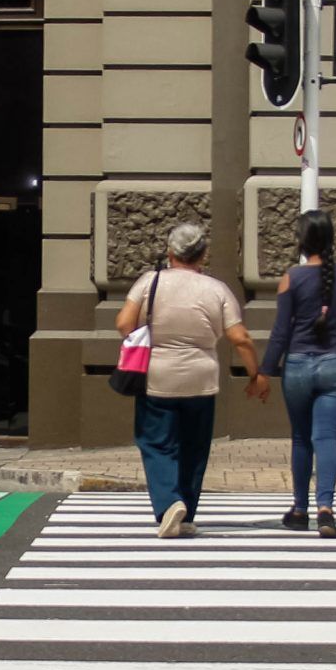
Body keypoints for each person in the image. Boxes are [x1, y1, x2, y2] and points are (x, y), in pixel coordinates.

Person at [114, 220, 266, 537]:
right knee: (194, 447)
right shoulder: (216, 290)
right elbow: (241, 338)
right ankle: (185, 513)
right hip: (202, 378)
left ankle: (170, 502)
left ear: (170, 252)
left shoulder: (149, 282)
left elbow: (124, 323)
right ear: (203, 255)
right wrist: (256, 375)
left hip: (158, 375)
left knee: (157, 443)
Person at [255, 209, 336, 537]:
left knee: (301, 439)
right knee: (326, 438)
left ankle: (300, 508)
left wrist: (264, 372)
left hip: (297, 367)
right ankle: (326, 509)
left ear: (302, 241)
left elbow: (280, 332)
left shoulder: (291, 277)